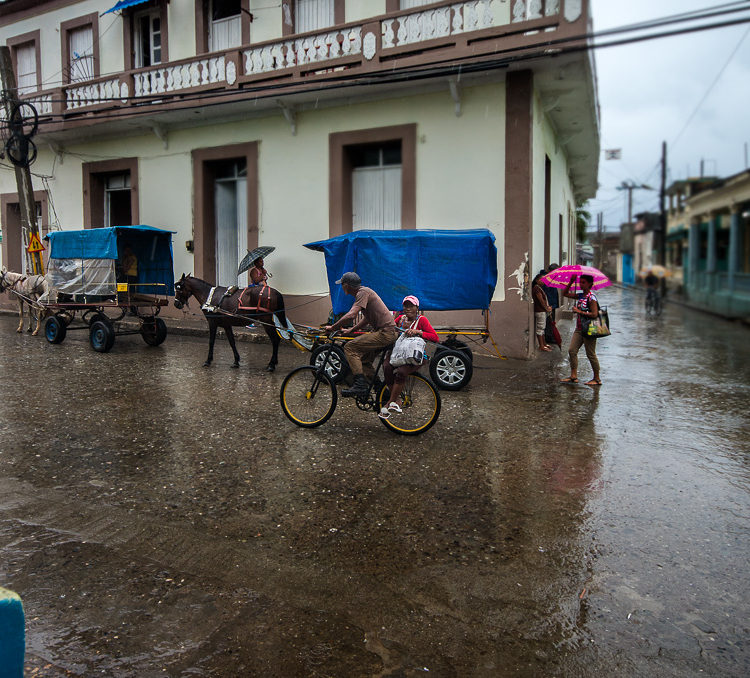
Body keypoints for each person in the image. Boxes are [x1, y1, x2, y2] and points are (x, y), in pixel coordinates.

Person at [324, 272, 398, 397]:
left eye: (342, 285)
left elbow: (352, 315)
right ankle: (381, 392)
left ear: (346, 285)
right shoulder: (364, 292)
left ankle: (360, 385)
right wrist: (350, 330)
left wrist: (332, 327)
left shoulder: (362, 293)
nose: (342, 287)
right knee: (364, 361)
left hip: (385, 333)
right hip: (386, 332)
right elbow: (367, 319)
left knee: (350, 347)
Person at [380, 295, 439, 419]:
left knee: (401, 372)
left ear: (417, 307)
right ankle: (396, 399)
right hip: (398, 352)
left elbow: (435, 337)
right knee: (386, 367)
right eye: (405, 306)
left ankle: (391, 402)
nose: (408, 308)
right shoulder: (400, 319)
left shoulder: (422, 320)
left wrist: (418, 332)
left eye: (411, 306)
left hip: (414, 355)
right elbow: (390, 329)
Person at [560, 273, 602, 386]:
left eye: (584, 282)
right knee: (572, 350)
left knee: (590, 354)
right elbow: (565, 293)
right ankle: (573, 376)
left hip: (589, 329)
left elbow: (594, 314)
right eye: (580, 282)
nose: (581, 284)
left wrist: (579, 312)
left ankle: (597, 378)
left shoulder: (591, 298)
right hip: (579, 329)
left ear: (590, 284)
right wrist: (571, 282)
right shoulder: (580, 296)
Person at [532, 272, 553, 352]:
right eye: (542, 279)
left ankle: (544, 344)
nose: (543, 281)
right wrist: (546, 308)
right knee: (540, 328)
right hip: (540, 311)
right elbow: (540, 300)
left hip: (542, 310)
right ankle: (541, 345)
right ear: (537, 280)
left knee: (542, 328)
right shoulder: (536, 288)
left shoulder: (539, 288)